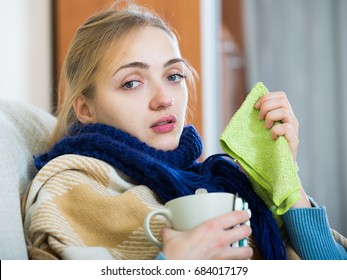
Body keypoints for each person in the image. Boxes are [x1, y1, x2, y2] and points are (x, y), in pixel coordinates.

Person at [22, 1, 347, 260]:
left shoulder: (217, 181)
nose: (164, 99)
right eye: (132, 82)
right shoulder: (71, 185)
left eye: (174, 76)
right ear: (85, 108)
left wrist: (285, 179)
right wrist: (171, 267)